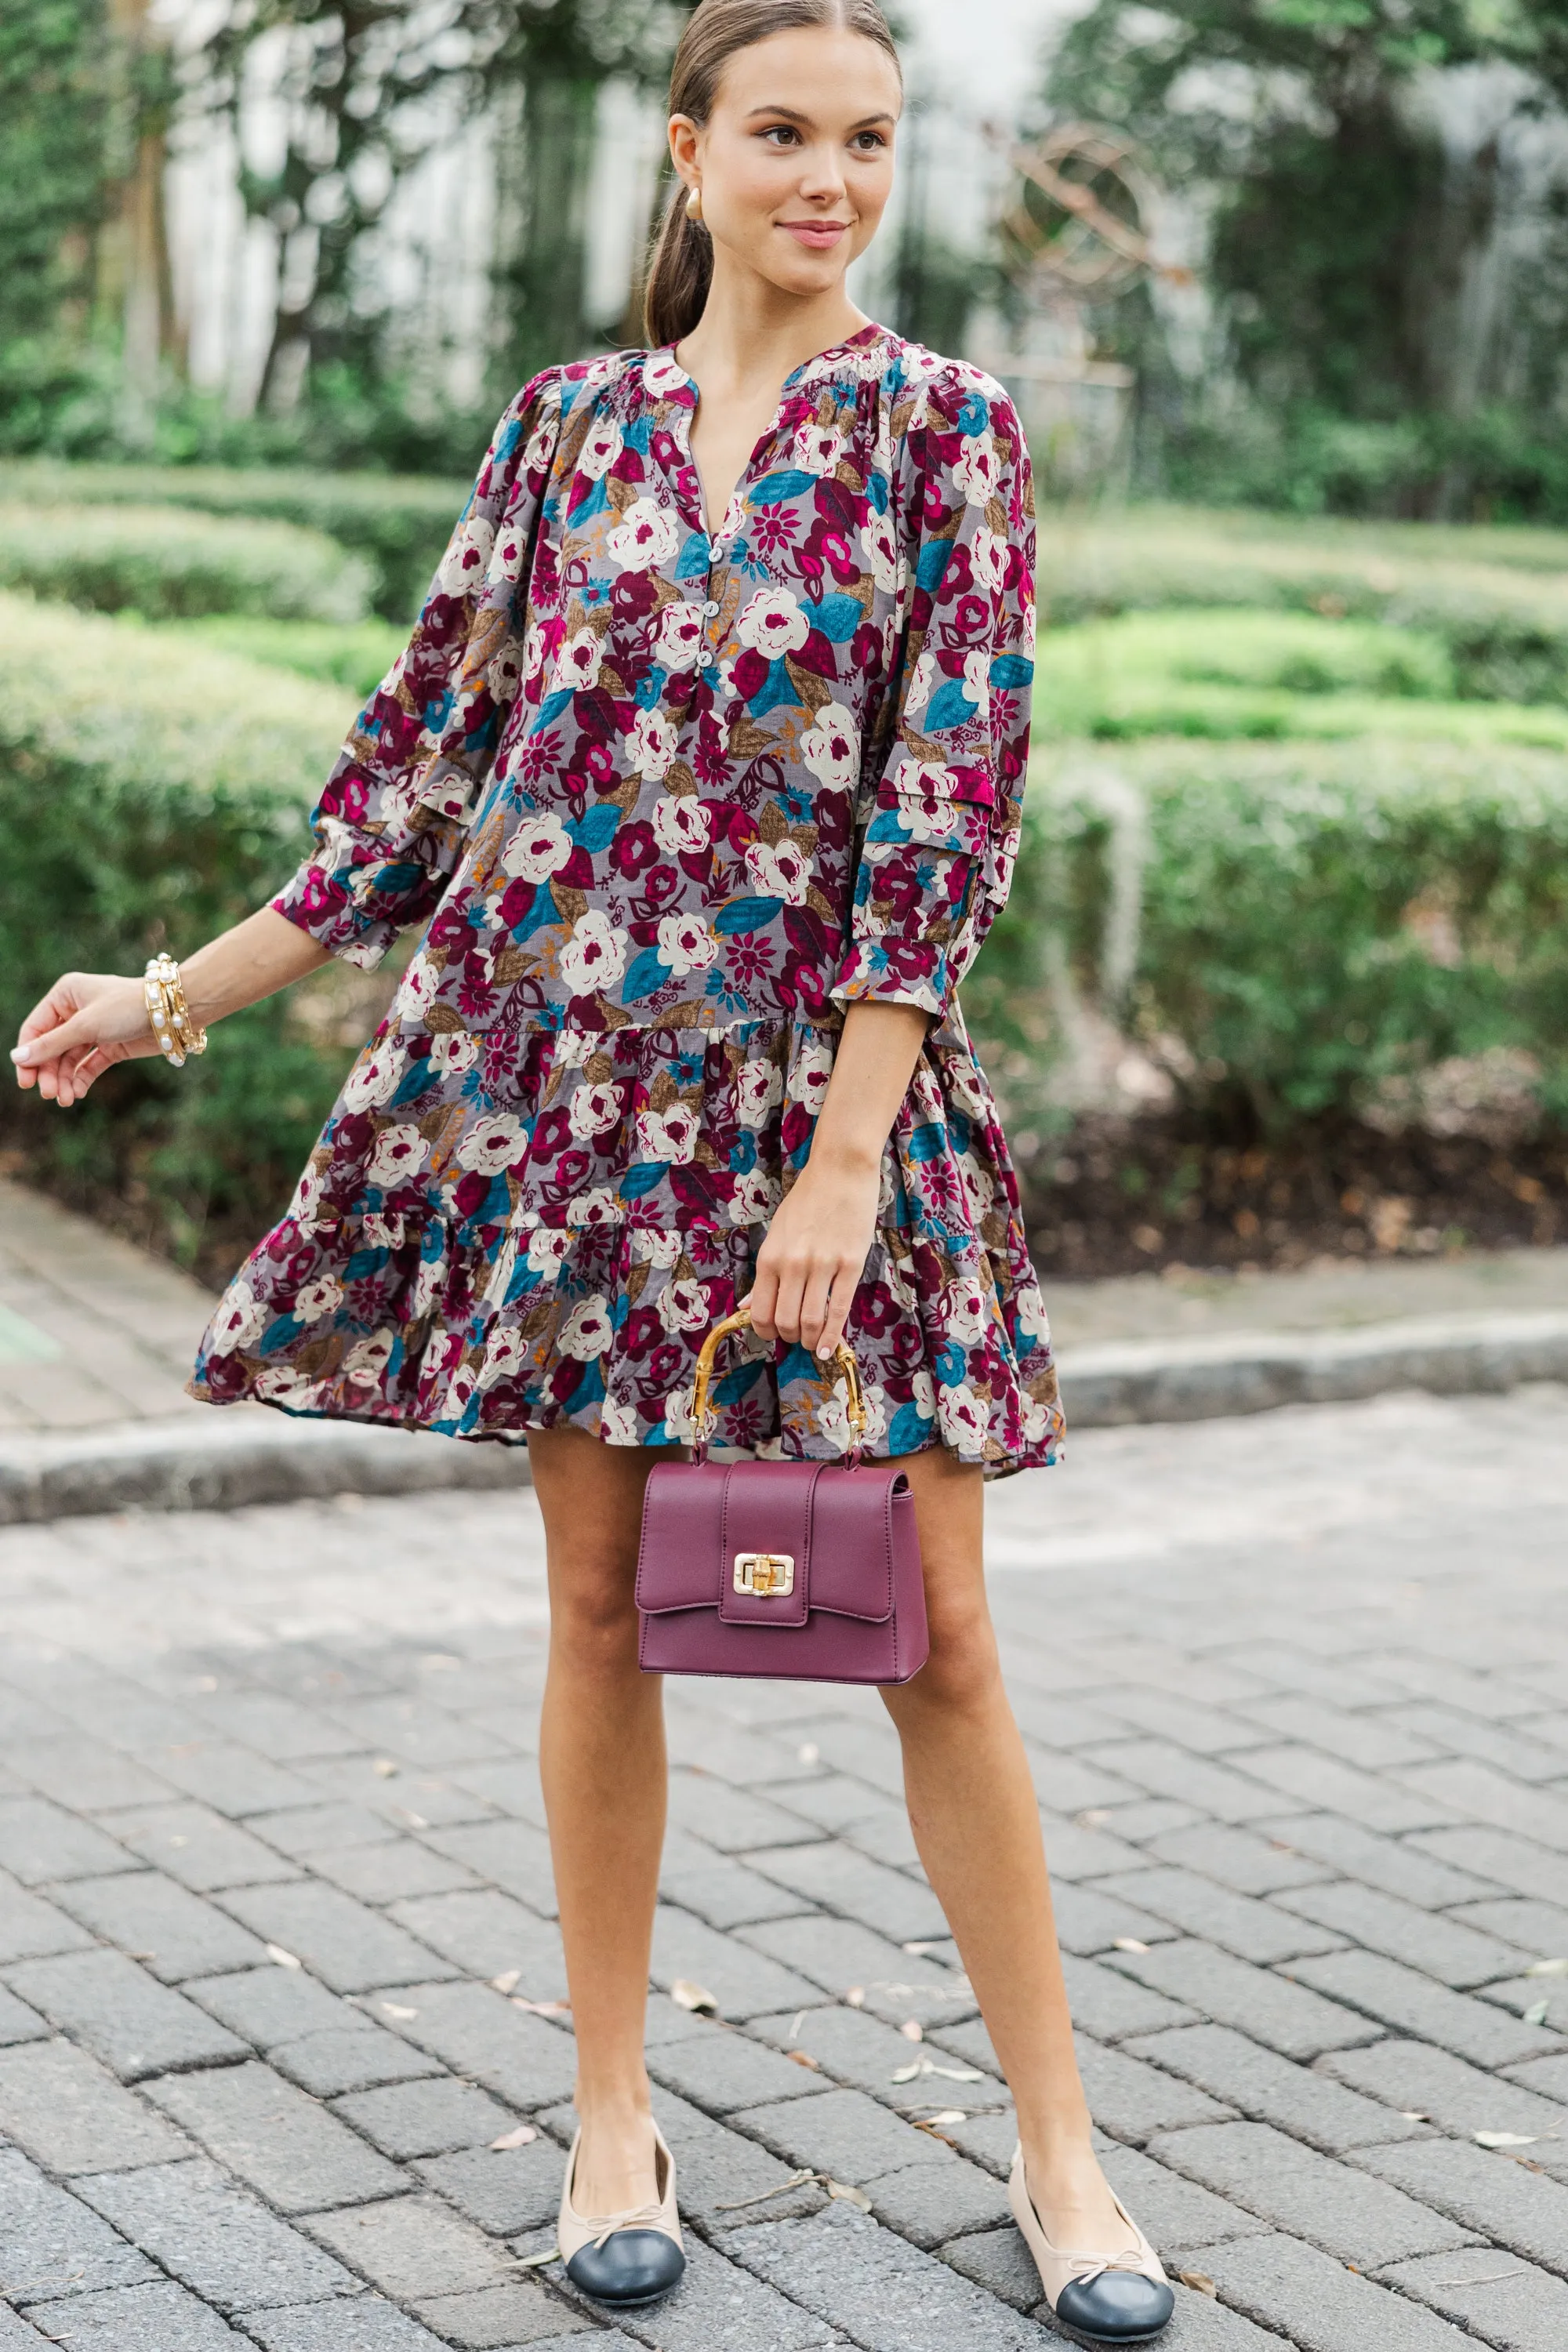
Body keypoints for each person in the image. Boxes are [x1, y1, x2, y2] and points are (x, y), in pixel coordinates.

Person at [11, 1, 1175, 2338]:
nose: (825, 178)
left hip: (830, 1119)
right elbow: (414, 787)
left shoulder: (951, 434)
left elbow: (943, 822)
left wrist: (843, 1165)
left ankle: (1065, 2153)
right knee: (592, 1609)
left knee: (933, 1641)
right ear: (690, 149)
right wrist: (165, 1000)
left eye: (864, 138)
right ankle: (616, 2109)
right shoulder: (566, 433)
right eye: (780, 133)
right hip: (572, 1111)